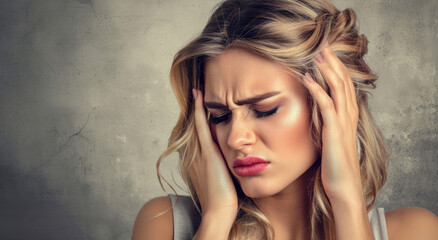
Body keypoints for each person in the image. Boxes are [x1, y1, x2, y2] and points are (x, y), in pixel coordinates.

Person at [132, 0, 438, 239]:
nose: (235, 137)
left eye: (264, 109)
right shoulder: (165, 224)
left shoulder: (415, 231)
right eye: (220, 116)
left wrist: (347, 201)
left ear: (331, 103)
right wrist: (216, 219)